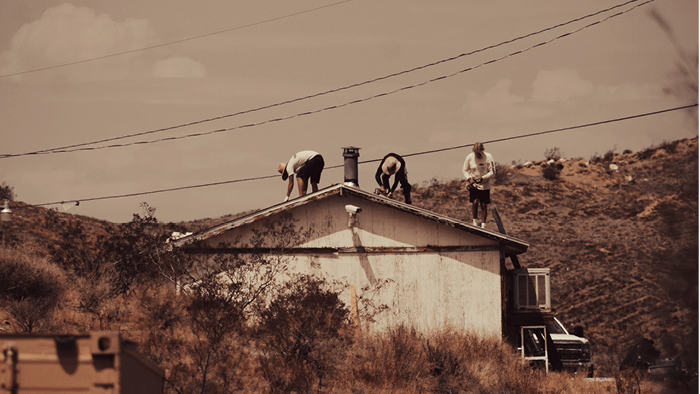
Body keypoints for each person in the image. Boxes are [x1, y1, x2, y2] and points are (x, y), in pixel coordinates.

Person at [462, 142, 495, 228]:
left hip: (485, 184)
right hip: (474, 183)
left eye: (479, 153)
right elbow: (464, 169)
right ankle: (475, 223)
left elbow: (493, 172)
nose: (478, 155)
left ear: (482, 150)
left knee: (483, 204)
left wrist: (483, 178)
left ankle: (483, 225)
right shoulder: (469, 157)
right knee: (475, 202)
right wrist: (469, 179)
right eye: (476, 153)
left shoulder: (488, 157)